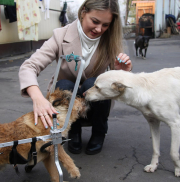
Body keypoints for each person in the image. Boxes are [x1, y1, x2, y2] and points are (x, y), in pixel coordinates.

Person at [18, 0, 132, 155]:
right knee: (64, 83)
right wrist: (38, 98)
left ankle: (99, 132)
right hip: (67, 101)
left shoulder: (110, 40)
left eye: (105, 25)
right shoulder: (60, 35)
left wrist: (121, 72)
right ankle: (72, 131)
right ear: (83, 12)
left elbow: (119, 85)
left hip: (95, 103)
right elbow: (28, 67)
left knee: (94, 82)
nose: (99, 29)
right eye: (95, 21)